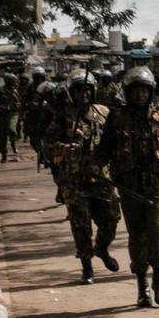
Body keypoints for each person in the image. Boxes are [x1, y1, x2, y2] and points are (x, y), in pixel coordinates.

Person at [98, 66, 159, 308]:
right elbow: (104, 148)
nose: (141, 95)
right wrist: (94, 165)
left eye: (145, 91)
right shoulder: (117, 117)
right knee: (138, 236)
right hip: (129, 186)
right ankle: (142, 285)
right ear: (128, 92)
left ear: (151, 92)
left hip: (158, 184)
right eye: (136, 91)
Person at [45, 70, 121, 284]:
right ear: (72, 93)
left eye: (87, 89)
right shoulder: (63, 116)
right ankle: (87, 267)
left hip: (102, 178)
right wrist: (63, 149)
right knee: (81, 225)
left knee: (111, 219)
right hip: (74, 180)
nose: (84, 94)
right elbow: (48, 144)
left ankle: (102, 248)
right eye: (79, 90)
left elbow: (115, 141)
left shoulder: (104, 112)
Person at [0, 72, 21, 162]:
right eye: (13, 81)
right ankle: (4, 154)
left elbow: (20, 102)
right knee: (1, 135)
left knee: (11, 129)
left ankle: (14, 144)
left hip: (13, 114)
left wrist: (17, 106)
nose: (15, 83)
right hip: (2, 115)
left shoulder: (16, 91)